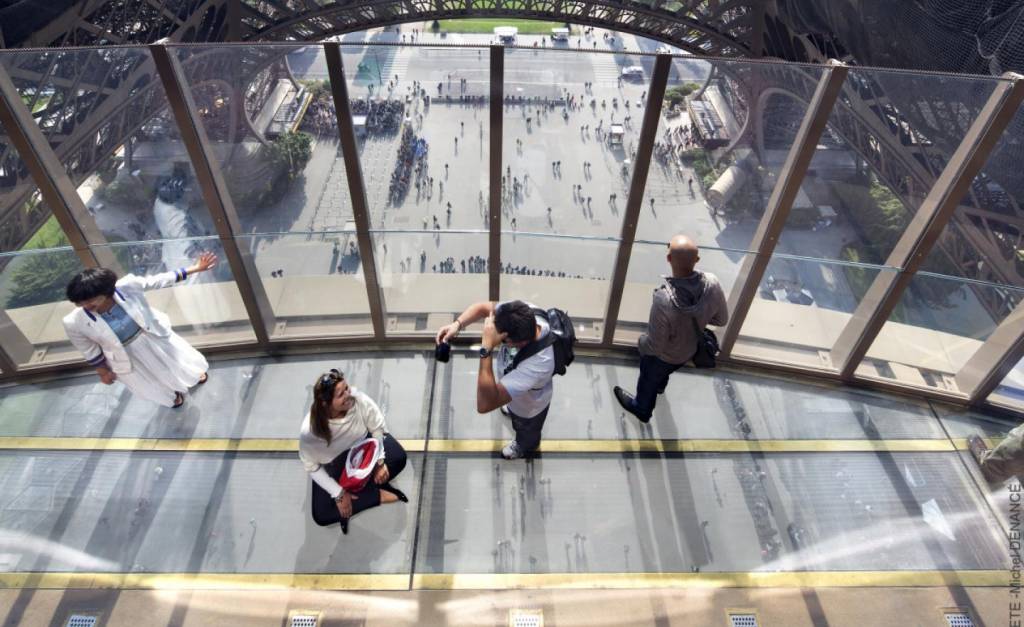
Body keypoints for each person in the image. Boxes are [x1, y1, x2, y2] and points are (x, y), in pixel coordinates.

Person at [63, 252, 218, 408]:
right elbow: (89, 350)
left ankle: (192, 375)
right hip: (124, 353)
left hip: (149, 336)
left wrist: (196, 268)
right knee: (149, 379)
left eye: (90, 300)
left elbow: (159, 280)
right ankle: (170, 395)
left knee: (176, 359)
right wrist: (103, 372)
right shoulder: (73, 322)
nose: (86, 306)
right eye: (80, 303)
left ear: (105, 292)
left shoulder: (127, 286)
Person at [613, 235, 729, 422]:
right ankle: (659, 387)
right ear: (697, 260)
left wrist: (640, 342)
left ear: (668, 259)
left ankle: (641, 408)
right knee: (665, 372)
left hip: (665, 355)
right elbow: (721, 319)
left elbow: (654, 347)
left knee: (649, 377)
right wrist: (700, 317)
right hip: (689, 350)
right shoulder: (712, 283)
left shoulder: (663, 299)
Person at [436, 300, 555, 459]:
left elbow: (485, 404)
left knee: (526, 430)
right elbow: (483, 307)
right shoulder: (524, 313)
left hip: (528, 408)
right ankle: (509, 405)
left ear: (517, 343)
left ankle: (523, 446)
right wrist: (457, 325)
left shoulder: (538, 364)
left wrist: (486, 348)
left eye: (502, 340)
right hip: (513, 389)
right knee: (509, 404)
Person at [300, 369, 408, 533]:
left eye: (347, 388)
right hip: (334, 465)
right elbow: (312, 467)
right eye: (341, 394)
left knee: (399, 457)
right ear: (326, 404)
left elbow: (377, 429)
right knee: (321, 515)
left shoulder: (358, 399)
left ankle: (360, 490)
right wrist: (339, 493)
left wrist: (379, 462)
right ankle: (376, 495)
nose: (349, 394)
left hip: (365, 450)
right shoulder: (310, 431)